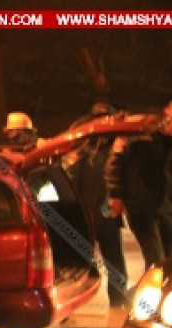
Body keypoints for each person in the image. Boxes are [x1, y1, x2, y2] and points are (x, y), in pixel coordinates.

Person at [63, 103, 128, 307]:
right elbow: (70, 179)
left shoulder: (118, 148)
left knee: (114, 262)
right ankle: (74, 302)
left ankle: (118, 302)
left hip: (106, 214)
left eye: (107, 119)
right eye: (100, 119)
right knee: (82, 264)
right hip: (85, 214)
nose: (103, 123)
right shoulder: (82, 148)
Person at [106, 99, 172, 270]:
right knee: (156, 261)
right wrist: (115, 195)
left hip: (168, 208)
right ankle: (149, 288)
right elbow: (115, 164)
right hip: (141, 208)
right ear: (168, 113)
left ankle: (162, 288)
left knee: (171, 263)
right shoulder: (140, 134)